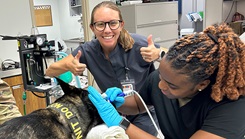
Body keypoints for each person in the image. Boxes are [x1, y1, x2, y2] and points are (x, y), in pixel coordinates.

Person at [87, 23, 245, 139]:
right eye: (161, 76)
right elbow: (138, 104)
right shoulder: (161, 79)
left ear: (202, 84)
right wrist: (117, 104)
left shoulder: (233, 107)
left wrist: (121, 124)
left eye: (172, 86)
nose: (161, 85)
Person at [45, 1, 163, 136]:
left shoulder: (138, 44)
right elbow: (50, 71)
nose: (107, 30)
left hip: (143, 113)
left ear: (121, 25)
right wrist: (68, 65)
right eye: (100, 24)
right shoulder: (87, 51)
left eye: (113, 23)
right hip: (112, 111)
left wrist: (159, 54)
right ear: (92, 28)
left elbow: (174, 59)